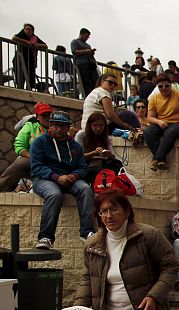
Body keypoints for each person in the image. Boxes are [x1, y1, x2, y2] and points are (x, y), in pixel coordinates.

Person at [30, 111, 95, 249]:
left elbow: (83, 167)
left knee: (86, 189)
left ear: (68, 128)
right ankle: (45, 237)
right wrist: (56, 177)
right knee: (54, 194)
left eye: (63, 126)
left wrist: (74, 176)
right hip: (45, 179)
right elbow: (36, 167)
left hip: (70, 178)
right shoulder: (39, 142)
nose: (59, 129)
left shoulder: (75, 146)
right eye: (56, 126)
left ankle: (87, 232)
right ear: (50, 125)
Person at [144, 74, 179, 171]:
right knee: (148, 131)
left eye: (166, 85)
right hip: (163, 125)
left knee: (171, 131)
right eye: (160, 86)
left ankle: (156, 159)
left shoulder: (178, 93)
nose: (164, 88)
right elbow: (149, 118)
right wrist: (159, 122)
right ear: (157, 87)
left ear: (170, 85)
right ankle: (161, 160)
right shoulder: (154, 98)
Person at [0, 102, 51, 192]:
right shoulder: (30, 126)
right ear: (38, 117)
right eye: (44, 115)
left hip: (52, 164)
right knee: (21, 162)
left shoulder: (57, 127)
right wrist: (33, 157)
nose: (47, 118)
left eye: (49, 115)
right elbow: (19, 145)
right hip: (32, 162)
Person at [81, 112, 117, 178]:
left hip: (102, 166)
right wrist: (94, 153)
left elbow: (112, 156)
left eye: (101, 125)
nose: (98, 128)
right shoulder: (81, 135)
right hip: (86, 166)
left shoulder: (107, 138)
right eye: (95, 125)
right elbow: (78, 157)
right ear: (90, 125)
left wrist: (108, 154)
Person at [12, 23, 47, 91]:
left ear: (32, 31)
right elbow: (14, 38)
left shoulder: (35, 37)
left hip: (30, 60)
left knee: (30, 77)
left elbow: (45, 46)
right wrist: (27, 42)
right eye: (26, 29)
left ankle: (29, 90)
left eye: (30, 30)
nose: (27, 31)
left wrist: (37, 45)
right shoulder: (22, 34)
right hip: (20, 59)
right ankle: (20, 90)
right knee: (20, 77)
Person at [70, 28, 98, 97]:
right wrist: (87, 51)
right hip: (82, 64)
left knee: (95, 81)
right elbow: (74, 52)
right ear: (81, 34)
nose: (86, 38)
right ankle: (87, 96)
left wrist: (91, 53)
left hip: (90, 64)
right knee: (86, 82)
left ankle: (94, 96)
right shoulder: (75, 42)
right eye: (86, 36)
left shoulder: (88, 45)